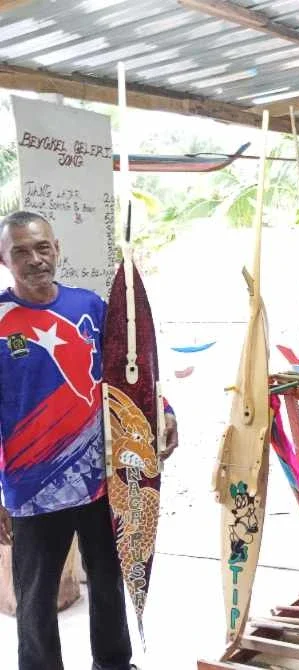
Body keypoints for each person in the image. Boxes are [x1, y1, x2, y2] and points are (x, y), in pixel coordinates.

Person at [0, 210, 178, 670]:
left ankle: (114, 664)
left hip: (101, 478)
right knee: (35, 596)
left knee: (108, 579)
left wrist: (163, 412)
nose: (35, 259)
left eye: (42, 247)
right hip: (31, 489)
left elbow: (130, 372)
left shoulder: (90, 307)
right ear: (4, 259)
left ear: (57, 248)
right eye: (21, 251)